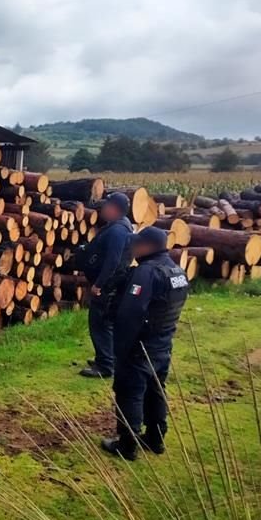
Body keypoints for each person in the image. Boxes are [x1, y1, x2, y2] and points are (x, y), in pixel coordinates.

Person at [101, 227, 189, 460]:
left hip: (140, 346)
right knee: (155, 391)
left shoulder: (146, 273)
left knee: (130, 392)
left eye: (137, 244)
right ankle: (155, 438)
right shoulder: (177, 270)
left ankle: (127, 445)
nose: (133, 248)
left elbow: (131, 313)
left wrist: (121, 348)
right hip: (163, 343)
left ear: (148, 245)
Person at [78, 192, 134, 378]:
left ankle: (105, 366)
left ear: (114, 209)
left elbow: (113, 260)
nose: (103, 208)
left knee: (100, 323)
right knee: (105, 323)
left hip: (108, 285)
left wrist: (99, 284)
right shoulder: (119, 226)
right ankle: (107, 357)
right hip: (111, 283)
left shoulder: (118, 231)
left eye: (106, 205)